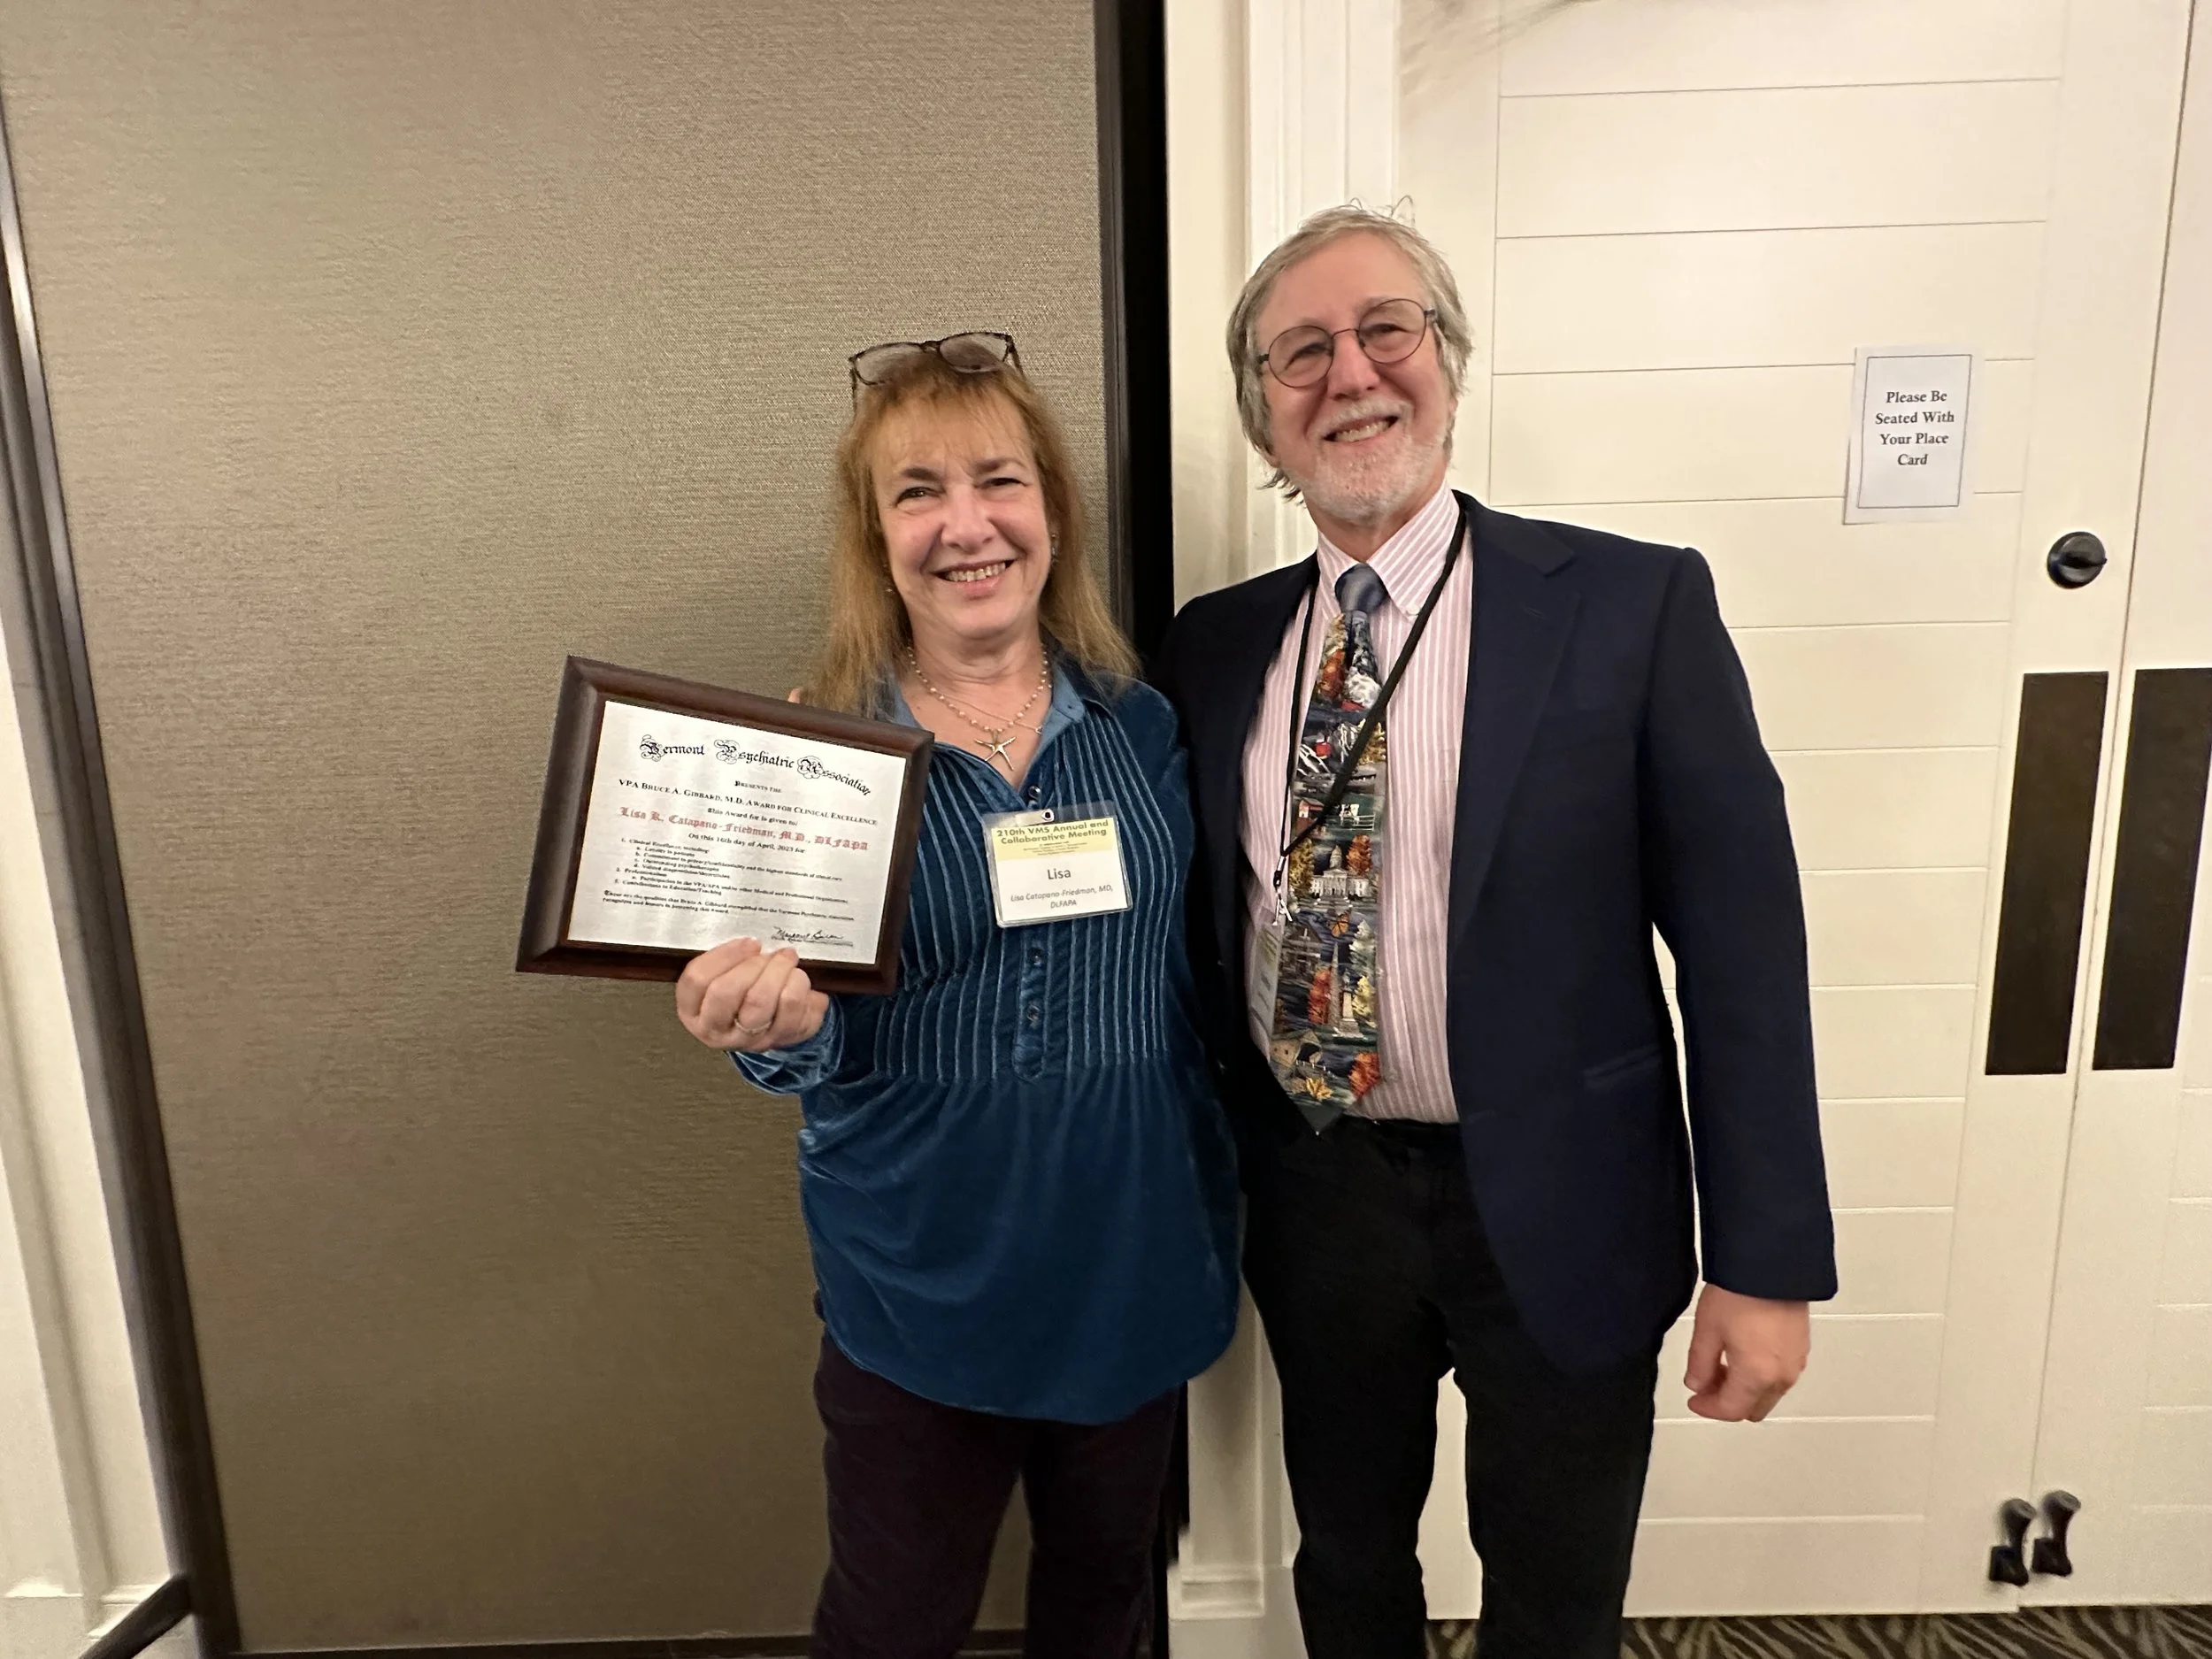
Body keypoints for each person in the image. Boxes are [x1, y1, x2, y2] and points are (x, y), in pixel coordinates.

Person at [1152, 204, 1838, 1658]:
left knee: (1555, 1594)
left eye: (1384, 329)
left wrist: (1765, 1255)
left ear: (1448, 362)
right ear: (1263, 416)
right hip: (1319, 1189)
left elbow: (1743, 950)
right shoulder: (1213, 643)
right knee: (1348, 1562)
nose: (1350, 373)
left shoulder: (1631, 605)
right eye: (1300, 352)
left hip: (1570, 1195)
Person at [675, 333, 1238, 1658]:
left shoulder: (1143, 726)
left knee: (1104, 1599)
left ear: (1053, 512)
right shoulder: (820, 754)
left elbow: (1192, 977)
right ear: (876, 538)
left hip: (1129, 1251)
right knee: (896, 1619)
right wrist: (772, 1032)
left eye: (1000, 480)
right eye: (918, 491)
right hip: (919, 1265)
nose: (966, 524)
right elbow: (794, 1034)